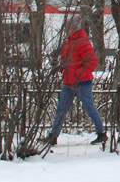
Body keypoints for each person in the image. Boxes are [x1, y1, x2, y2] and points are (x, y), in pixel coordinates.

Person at [43, 16, 107, 146]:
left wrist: (77, 73)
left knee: (89, 107)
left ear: (74, 28)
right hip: (69, 81)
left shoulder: (82, 42)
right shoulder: (69, 42)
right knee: (61, 109)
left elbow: (93, 62)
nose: (66, 29)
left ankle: (101, 133)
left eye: (68, 27)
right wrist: (64, 71)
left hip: (82, 82)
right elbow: (67, 61)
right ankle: (53, 136)